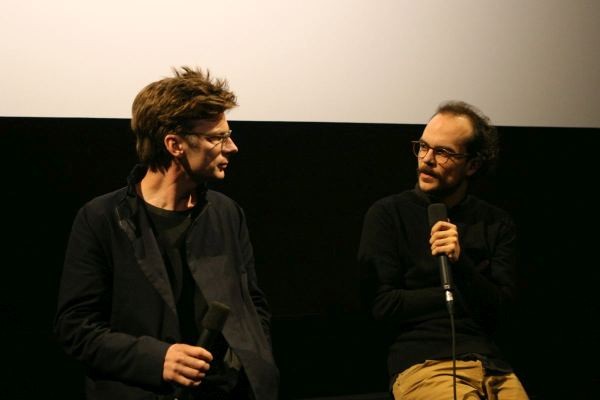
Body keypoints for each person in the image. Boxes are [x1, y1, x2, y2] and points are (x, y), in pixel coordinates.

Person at [54, 66, 279, 400]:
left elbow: (252, 305)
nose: (231, 147)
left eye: (228, 134)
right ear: (175, 144)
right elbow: (75, 327)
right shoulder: (102, 218)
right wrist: (157, 359)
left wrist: (250, 367)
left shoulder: (227, 213)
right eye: (216, 137)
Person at [357, 101, 529, 399]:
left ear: (472, 165)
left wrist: (460, 264)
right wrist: (455, 295)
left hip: (493, 366)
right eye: (423, 147)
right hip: (425, 363)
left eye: (443, 152)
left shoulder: (495, 222)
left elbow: (504, 311)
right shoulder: (388, 214)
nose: (427, 159)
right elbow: (382, 305)